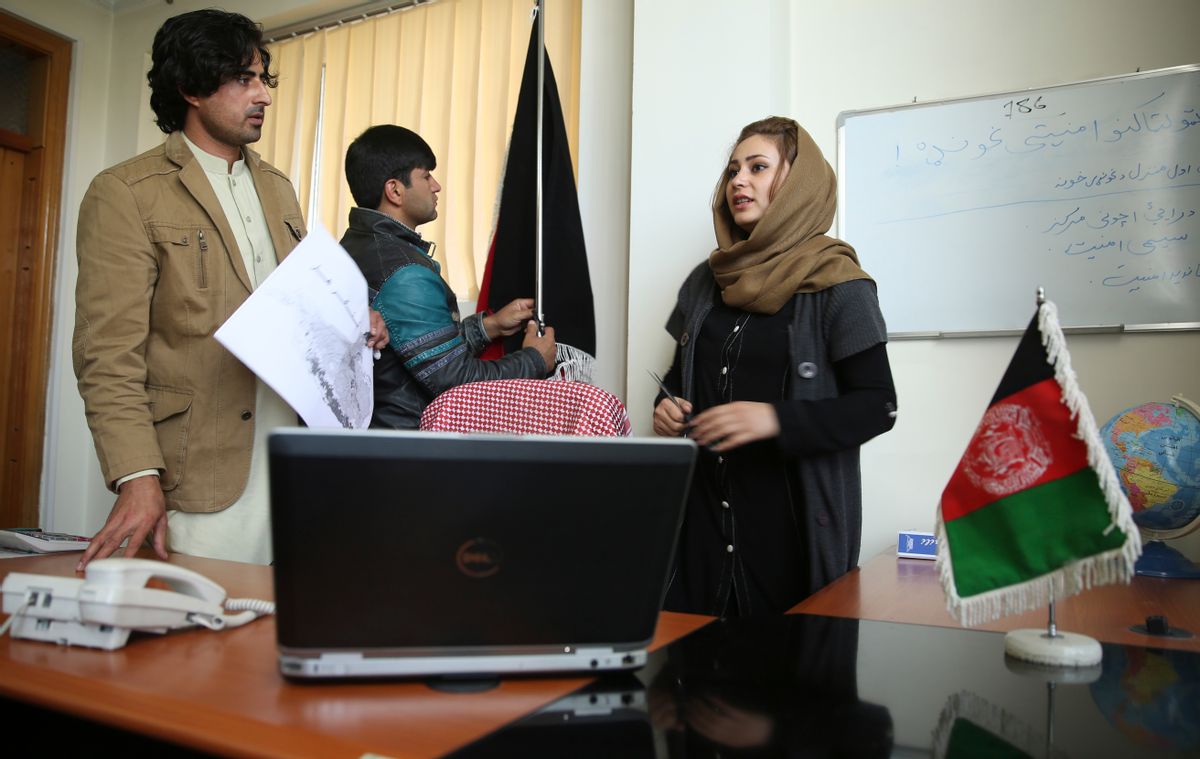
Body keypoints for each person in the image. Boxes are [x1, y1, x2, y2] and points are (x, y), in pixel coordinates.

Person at [73, 10, 386, 569]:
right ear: (190, 86)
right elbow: (107, 356)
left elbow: (296, 306)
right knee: (198, 645)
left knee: (273, 639)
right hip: (198, 473)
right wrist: (136, 476)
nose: (263, 94)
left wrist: (354, 321)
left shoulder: (278, 187)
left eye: (264, 78)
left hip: (290, 460)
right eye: (244, 79)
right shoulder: (125, 193)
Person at [653, 116, 897, 616]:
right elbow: (679, 378)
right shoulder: (705, 281)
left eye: (758, 168)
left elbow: (878, 406)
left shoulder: (841, 283)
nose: (738, 181)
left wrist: (775, 419)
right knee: (690, 680)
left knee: (791, 684)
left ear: (797, 185)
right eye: (733, 170)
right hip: (700, 524)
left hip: (791, 534)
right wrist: (667, 407)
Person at [339, 124, 556, 428]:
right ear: (395, 190)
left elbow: (416, 354)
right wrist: (534, 359)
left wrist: (489, 327)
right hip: (405, 449)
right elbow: (455, 383)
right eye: (426, 175)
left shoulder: (357, 245)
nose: (436, 185)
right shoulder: (404, 272)